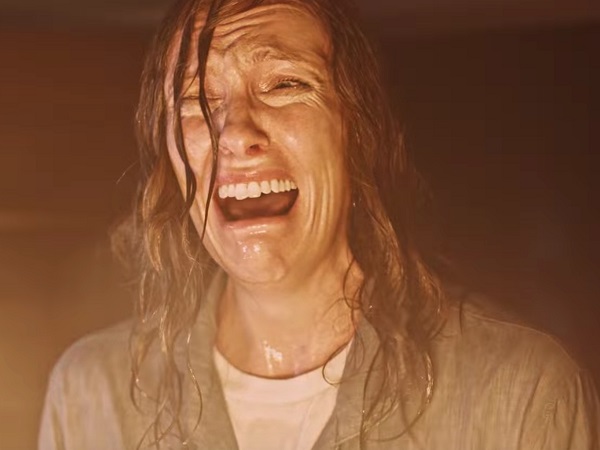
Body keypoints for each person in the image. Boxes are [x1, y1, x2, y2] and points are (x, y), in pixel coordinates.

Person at [39, 0, 600, 448]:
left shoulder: (520, 393)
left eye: (284, 84)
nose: (236, 133)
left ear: (357, 131)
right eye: (196, 99)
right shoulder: (92, 394)